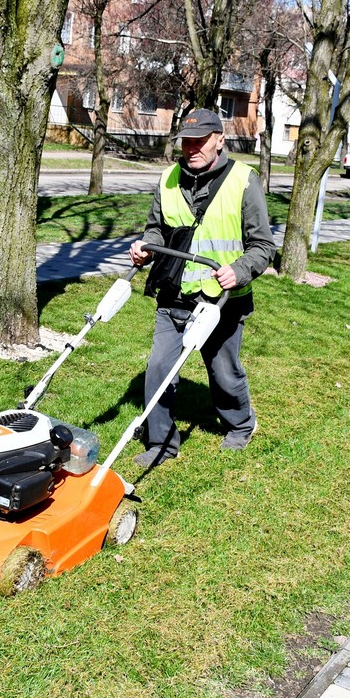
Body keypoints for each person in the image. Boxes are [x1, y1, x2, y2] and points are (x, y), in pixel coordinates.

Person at [128, 108, 275, 468]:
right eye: (186, 142)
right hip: (174, 294)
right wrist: (145, 247)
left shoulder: (243, 180)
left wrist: (239, 271)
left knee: (224, 372)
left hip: (223, 299)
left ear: (219, 140)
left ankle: (241, 425)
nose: (191, 148)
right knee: (159, 369)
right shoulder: (168, 178)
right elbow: (157, 229)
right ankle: (162, 443)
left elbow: (264, 246)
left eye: (200, 141)